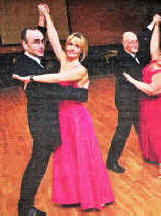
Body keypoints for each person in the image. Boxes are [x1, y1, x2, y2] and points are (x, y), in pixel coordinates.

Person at [13, 4, 114, 211]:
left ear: (82, 50)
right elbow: (51, 37)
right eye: (69, 44)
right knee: (68, 159)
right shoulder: (62, 59)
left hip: (76, 119)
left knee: (83, 158)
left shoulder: (79, 69)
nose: (71, 49)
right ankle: (73, 195)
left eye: (76, 46)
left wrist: (31, 78)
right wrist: (47, 16)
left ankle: (91, 196)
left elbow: (58, 78)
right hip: (61, 118)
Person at [123, 15, 161, 178]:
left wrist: (132, 80)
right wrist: (157, 25)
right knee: (148, 131)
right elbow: (154, 44)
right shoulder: (155, 61)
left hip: (156, 105)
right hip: (146, 104)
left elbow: (150, 90)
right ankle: (154, 157)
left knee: (158, 133)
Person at [106, 15, 159, 174]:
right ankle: (111, 162)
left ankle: (149, 154)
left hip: (137, 99)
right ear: (123, 45)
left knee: (142, 127)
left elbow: (143, 36)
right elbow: (134, 80)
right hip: (126, 101)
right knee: (123, 129)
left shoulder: (136, 54)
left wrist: (153, 23)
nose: (135, 44)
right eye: (130, 42)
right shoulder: (120, 59)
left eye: (135, 41)